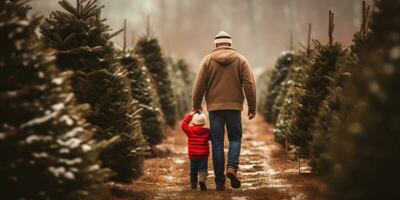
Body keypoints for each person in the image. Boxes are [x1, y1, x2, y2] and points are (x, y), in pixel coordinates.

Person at [192, 31, 256, 191]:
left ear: (216, 44)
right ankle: (232, 168)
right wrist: (252, 106)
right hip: (234, 108)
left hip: (215, 109)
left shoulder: (207, 61)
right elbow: (249, 84)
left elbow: (199, 84)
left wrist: (196, 104)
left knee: (218, 143)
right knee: (235, 139)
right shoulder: (241, 60)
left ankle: (220, 181)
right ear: (230, 44)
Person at [180, 111, 210, 191]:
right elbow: (213, 137)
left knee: (193, 170)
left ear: (193, 121)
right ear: (204, 122)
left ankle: (193, 185)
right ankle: (202, 180)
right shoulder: (207, 131)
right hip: (203, 155)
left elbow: (183, 125)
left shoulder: (190, 131)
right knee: (203, 169)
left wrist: (191, 113)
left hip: (193, 155)